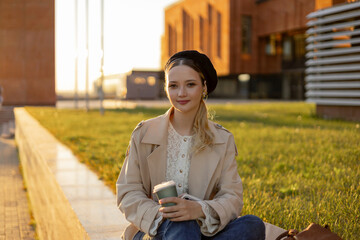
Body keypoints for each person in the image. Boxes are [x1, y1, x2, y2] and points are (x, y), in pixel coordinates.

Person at [116, 50, 265, 240]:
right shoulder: (144, 133)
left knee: (252, 225)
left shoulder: (222, 139)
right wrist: (167, 215)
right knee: (183, 226)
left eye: (190, 84)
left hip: (204, 229)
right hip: (154, 229)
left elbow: (232, 197)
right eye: (173, 85)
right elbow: (128, 191)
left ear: (204, 87)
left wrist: (199, 210)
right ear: (166, 88)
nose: (181, 93)